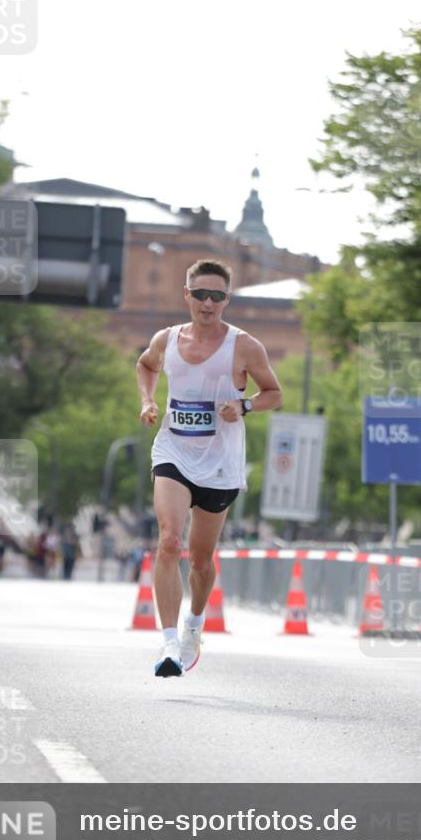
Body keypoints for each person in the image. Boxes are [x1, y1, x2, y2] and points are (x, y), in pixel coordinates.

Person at [136, 259, 282, 677]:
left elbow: (274, 392)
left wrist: (244, 404)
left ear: (226, 299)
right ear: (186, 294)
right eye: (200, 294)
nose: (208, 303)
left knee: (201, 559)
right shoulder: (166, 339)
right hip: (173, 451)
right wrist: (148, 401)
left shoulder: (244, 346)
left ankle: (194, 626)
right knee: (169, 541)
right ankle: (168, 644)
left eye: (216, 295)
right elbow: (145, 365)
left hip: (220, 463)